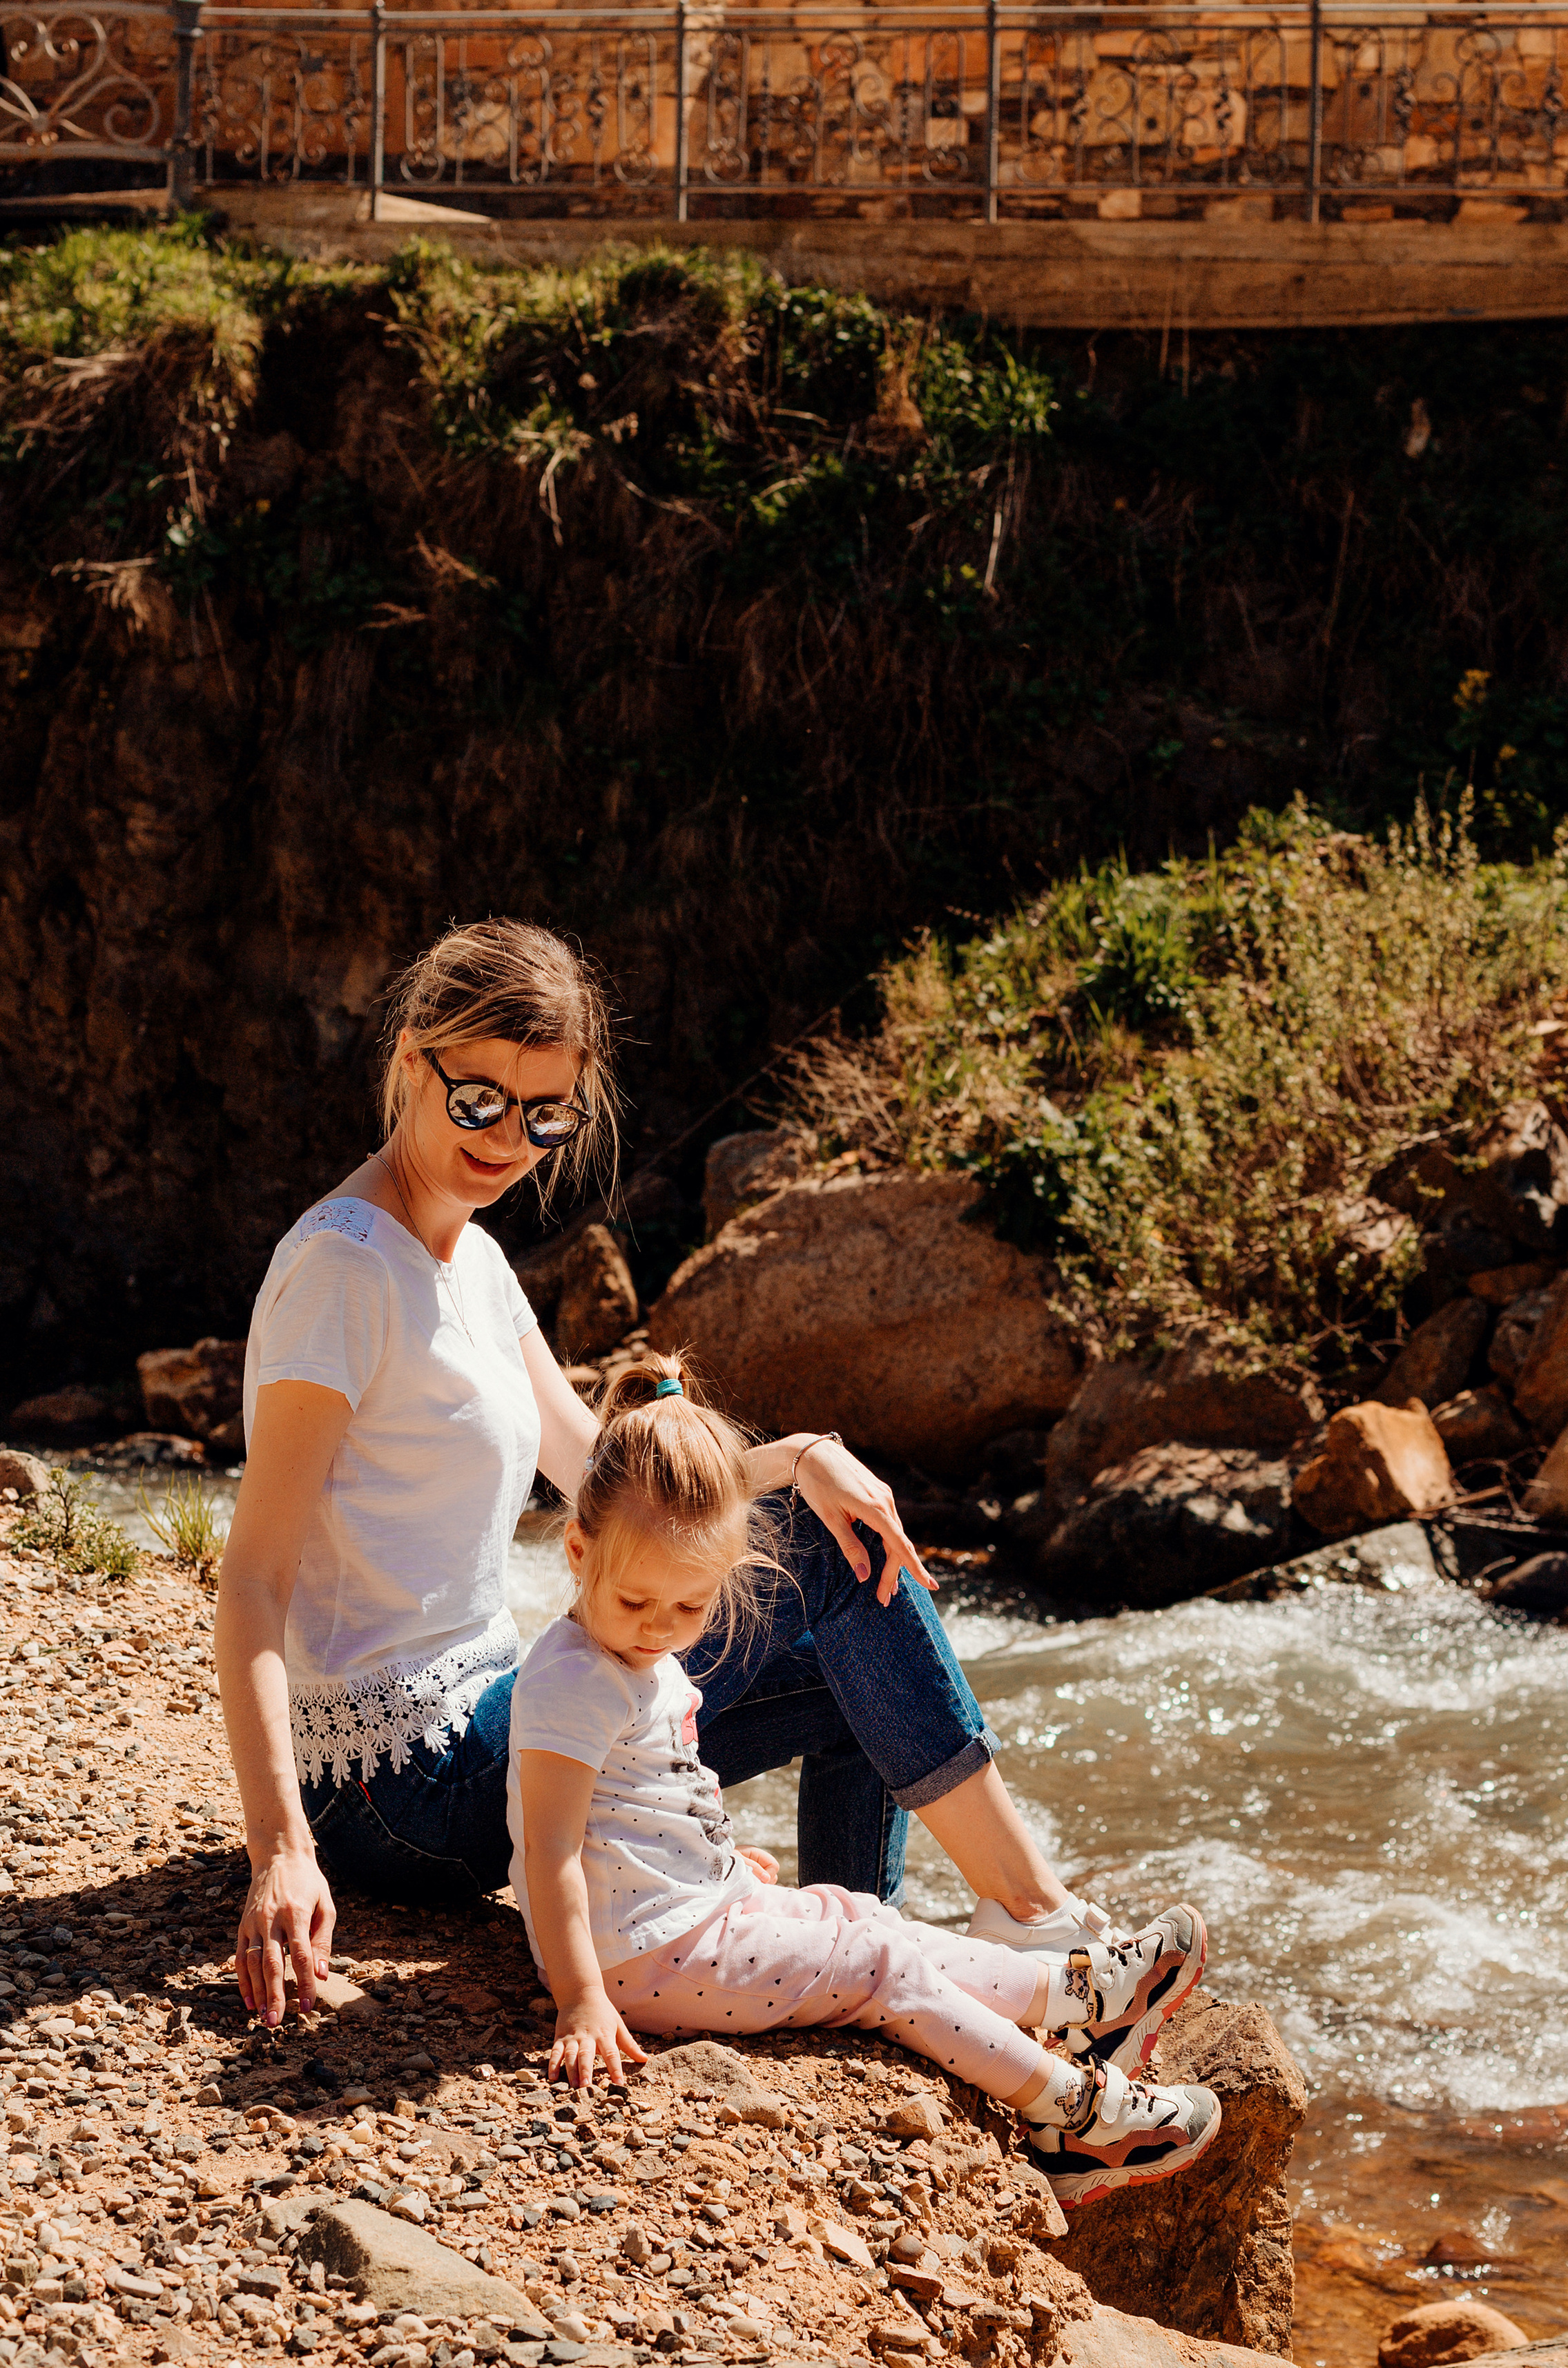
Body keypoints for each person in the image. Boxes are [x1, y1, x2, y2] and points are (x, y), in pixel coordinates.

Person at [215, 919, 1136, 2034]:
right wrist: (282, 1854)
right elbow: (252, 1580)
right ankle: (1037, 1923)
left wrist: (795, 1456)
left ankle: (890, 1979)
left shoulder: (474, 1259)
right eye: (479, 1100)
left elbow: (606, 1479)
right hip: (394, 1789)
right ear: (413, 1061)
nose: (510, 1137)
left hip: (499, 1728)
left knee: (848, 1624)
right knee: (821, 1566)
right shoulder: (343, 1272)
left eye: (545, 1112)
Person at [510, 1349, 1219, 2210]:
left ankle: (1078, 1995)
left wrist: (724, 1867)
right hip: (637, 1959)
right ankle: (1069, 2114)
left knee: (863, 1915)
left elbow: (651, 1793)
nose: (660, 1626)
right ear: (577, 1551)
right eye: (636, 1602)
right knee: (880, 1965)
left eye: (690, 1607)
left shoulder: (639, 1654)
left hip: (679, 1916)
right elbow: (549, 1848)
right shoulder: (569, 1678)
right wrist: (582, 1999)